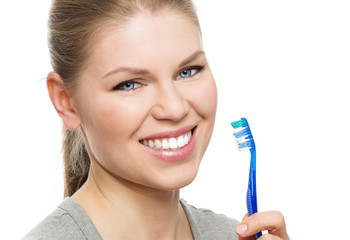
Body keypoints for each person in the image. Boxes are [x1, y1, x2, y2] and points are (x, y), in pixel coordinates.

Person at [24, 0, 290, 239]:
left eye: (188, 71)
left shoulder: (231, 235)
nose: (174, 109)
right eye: (129, 84)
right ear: (66, 102)